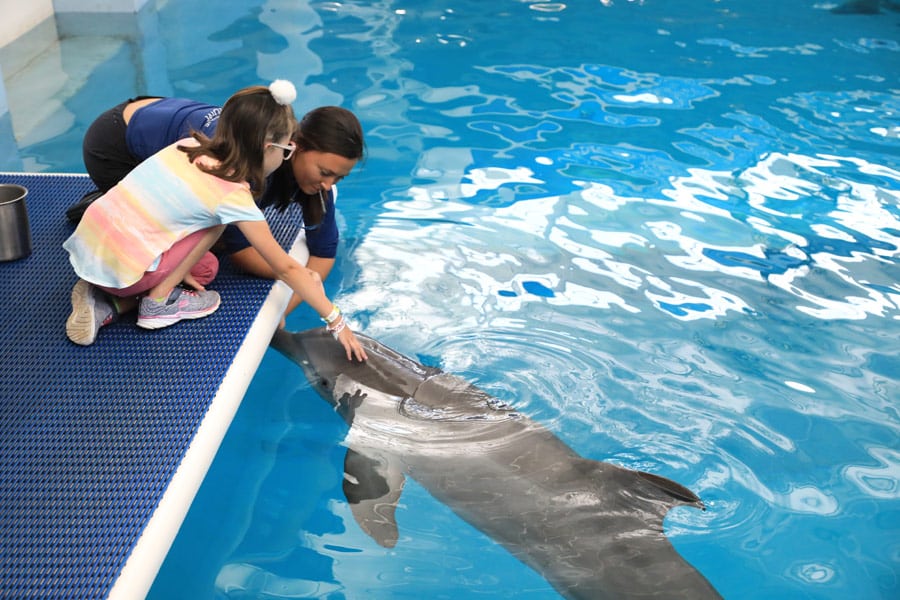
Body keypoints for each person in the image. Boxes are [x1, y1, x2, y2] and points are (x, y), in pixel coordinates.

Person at [62, 80, 367, 362]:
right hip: (114, 146)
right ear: (274, 147)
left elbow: (320, 252)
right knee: (213, 233)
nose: (329, 185)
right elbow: (281, 265)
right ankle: (152, 302)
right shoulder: (231, 193)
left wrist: (291, 297)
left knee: (204, 268)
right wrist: (336, 321)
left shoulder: (191, 147)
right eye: (287, 149)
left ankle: (121, 291)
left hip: (92, 243)